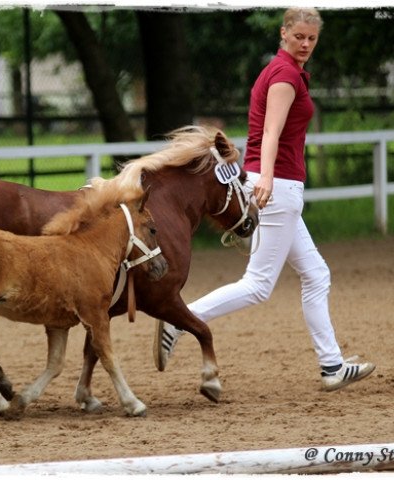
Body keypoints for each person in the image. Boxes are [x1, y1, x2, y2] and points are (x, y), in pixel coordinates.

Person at [155, 8, 375, 391]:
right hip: (278, 185)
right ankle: (181, 318)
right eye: (299, 36)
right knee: (258, 285)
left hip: (278, 184)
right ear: (283, 33)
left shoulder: (281, 70)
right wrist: (269, 176)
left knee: (316, 274)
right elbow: (271, 132)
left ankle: (332, 366)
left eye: (312, 38)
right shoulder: (285, 75)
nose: (305, 44)